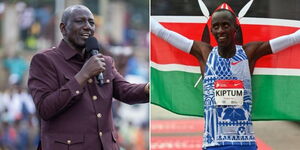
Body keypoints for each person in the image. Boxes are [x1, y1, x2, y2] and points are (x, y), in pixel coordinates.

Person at [151, 9, 300, 150]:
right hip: (214, 143)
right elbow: (165, 34)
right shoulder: (205, 53)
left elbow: (292, 39)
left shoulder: (249, 53)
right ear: (211, 31)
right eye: (216, 27)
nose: (220, 30)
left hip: (245, 143)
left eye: (225, 25)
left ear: (235, 28)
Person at [28, 5, 149, 150]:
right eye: (80, 21)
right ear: (63, 28)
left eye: (91, 23)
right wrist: (83, 75)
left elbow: (125, 91)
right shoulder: (45, 60)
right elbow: (45, 109)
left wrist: (149, 88)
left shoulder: (104, 61)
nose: (87, 27)